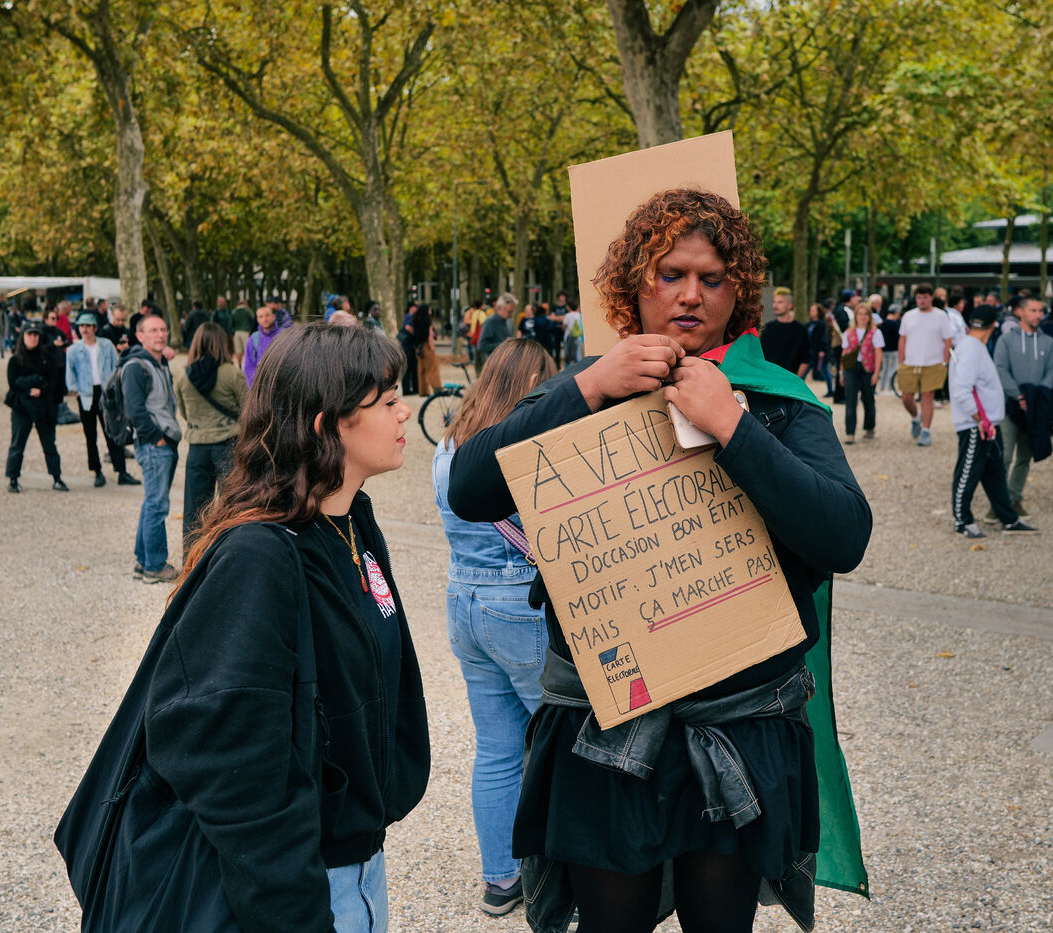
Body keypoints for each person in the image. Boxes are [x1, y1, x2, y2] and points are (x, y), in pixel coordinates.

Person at [449, 187, 871, 933]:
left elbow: (844, 536)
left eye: (712, 279)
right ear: (632, 285)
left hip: (738, 725)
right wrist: (589, 385)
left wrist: (731, 425)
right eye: (670, 274)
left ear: (739, 292)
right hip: (604, 726)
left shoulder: (774, 402)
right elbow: (470, 486)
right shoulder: (586, 386)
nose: (690, 295)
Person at [137, 322, 428, 932]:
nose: (405, 411)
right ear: (327, 425)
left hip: (358, 862)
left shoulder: (350, 521)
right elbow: (225, 757)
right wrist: (294, 908)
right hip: (309, 885)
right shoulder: (259, 556)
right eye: (387, 400)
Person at [432, 338, 557, 917]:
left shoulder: (449, 445)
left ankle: (500, 879)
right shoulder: (523, 446)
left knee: (497, 750)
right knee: (559, 745)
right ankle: (562, 880)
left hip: (463, 600)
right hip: (518, 601)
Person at [949, 304, 1038, 538]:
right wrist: (979, 419)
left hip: (985, 424)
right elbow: (962, 390)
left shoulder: (972, 347)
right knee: (968, 472)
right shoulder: (972, 349)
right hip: (976, 426)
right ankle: (962, 521)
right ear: (994, 325)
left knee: (995, 474)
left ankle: (1008, 518)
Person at [173, 322, 246, 545]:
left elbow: (184, 412)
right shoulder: (232, 373)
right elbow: (247, 410)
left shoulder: (184, 376)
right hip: (228, 445)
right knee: (231, 508)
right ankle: (228, 554)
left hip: (197, 447)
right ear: (222, 343)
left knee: (194, 510)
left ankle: (191, 558)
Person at [123, 315, 183, 583]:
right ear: (140, 336)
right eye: (153, 330)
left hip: (164, 440)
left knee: (152, 503)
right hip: (153, 444)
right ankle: (155, 566)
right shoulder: (135, 367)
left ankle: (143, 561)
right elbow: (134, 409)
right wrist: (156, 438)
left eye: (163, 329)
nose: (160, 334)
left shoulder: (158, 363)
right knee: (157, 505)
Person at [992, 296, 1053, 515]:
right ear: (1020, 312)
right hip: (1009, 406)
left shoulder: (1047, 342)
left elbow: (1051, 371)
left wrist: (1037, 398)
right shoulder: (1006, 340)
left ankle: (1014, 498)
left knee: (1025, 456)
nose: (1038, 315)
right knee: (1004, 456)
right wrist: (1018, 395)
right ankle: (997, 502)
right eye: (1033, 310)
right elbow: (1000, 368)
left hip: (1035, 409)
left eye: (1041, 311)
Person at [65, 312, 137, 488]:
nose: (84, 329)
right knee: (90, 435)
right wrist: (74, 389)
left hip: (106, 392)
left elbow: (116, 364)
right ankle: (97, 471)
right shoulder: (74, 350)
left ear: (95, 328)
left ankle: (121, 471)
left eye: (88, 326)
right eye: (82, 326)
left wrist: (117, 387)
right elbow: (70, 370)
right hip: (86, 393)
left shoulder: (105, 345)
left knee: (113, 432)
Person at [4, 321, 69, 493]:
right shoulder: (15, 360)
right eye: (29, 334)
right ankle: (13, 479)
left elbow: (54, 381)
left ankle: (57, 478)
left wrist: (42, 390)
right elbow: (13, 383)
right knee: (17, 443)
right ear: (23, 336)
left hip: (43, 405)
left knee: (49, 444)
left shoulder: (47, 358)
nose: (33, 338)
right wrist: (31, 385)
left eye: (36, 335)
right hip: (22, 406)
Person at [898, 282, 955, 446]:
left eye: (925, 297)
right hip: (910, 362)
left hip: (933, 363)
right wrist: (901, 361)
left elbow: (948, 339)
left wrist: (945, 362)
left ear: (931, 298)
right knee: (906, 397)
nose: (922, 300)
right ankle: (916, 418)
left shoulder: (941, 316)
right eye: (919, 297)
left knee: (927, 397)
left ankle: (926, 431)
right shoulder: (908, 316)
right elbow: (902, 339)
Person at [839, 300, 882, 442]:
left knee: (868, 399)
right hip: (851, 368)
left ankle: (870, 427)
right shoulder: (848, 332)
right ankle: (850, 432)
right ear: (855, 316)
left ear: (869, 316)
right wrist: (841, 372)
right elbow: (844, 353)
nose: (862, 317)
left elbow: (878, 353)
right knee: (850, 401)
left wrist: (876, 373)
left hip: (868, 368)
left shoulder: (875, 332)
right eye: (860, 314)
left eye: (865, 314)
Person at [759, 286, 809, 375]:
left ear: (790, 305)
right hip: (770, 378)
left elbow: (805, 359)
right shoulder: (767, 328)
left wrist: (796, 380)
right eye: (774, 302)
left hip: (790, 379)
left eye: (780, 302)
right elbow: (761, 357)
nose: (775, 305)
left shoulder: (800, 330)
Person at [244, 304, 291, 387]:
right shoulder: (253, 339)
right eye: (261, 317)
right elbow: (249, 367)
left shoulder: (285, 336)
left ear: (273, 316)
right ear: (257, 319)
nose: (264, 319)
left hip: (283, 384)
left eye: (267, 315)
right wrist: (254, 387)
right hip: (261, 386)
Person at [475, 293, 516, 376]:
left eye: (512, 311)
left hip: (506, 366)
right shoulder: (490, 322)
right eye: (509, 312)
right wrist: (504, 344)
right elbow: (481, 345)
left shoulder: (508, 322)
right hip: (494, 368)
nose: (511, 315)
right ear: (500, 308)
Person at [806, 303, 833, 397]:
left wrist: (823, 350)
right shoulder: (809, 324)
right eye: (811, 310)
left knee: (825, 370)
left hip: (820, 352)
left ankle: (831, 390)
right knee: (804, 372)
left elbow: (825, 337)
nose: (811, 312)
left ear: (818, 312)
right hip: (810, 352)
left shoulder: (822, 323)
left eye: (813, 310)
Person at [230, 298, 255, 363]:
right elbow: (253, 318)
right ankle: (248, 365)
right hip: (246, 332)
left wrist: (233, 331)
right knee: (247, 350)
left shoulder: (234, 311)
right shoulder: (247, 310)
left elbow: (231, 324)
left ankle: (239, 365)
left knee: (238, 351)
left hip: (237, 333)